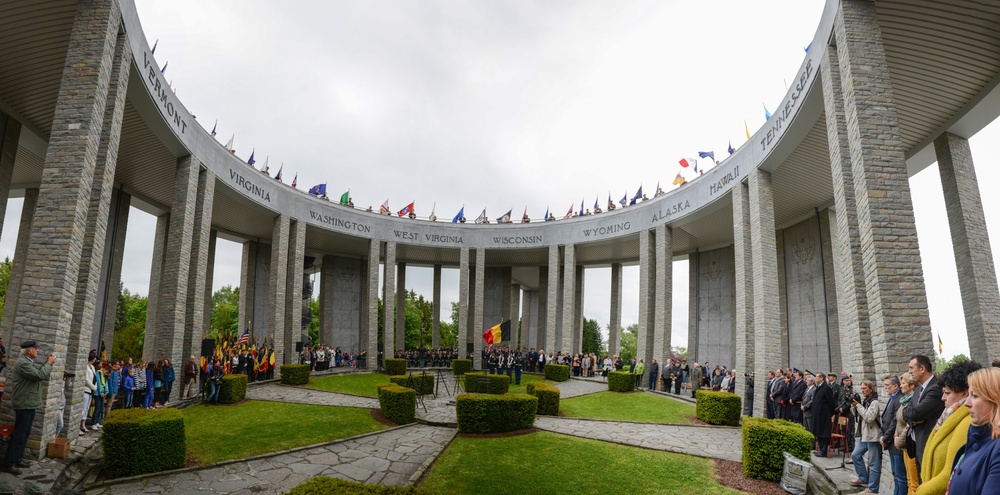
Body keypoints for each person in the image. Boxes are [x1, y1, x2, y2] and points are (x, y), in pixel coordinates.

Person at [915, 359, 981, 495]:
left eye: (947, 393)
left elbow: (951, 471)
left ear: (964, 393)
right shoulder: (949, 416)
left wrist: (921, 491)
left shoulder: (968, 422)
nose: (943, 398)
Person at [2, 341, 56, 476]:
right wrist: (49, 363)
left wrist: (46, 364)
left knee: (25, 433)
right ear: (28, 351)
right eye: (35, 349)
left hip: (29, 403)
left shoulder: (27, 362)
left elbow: (37, 374)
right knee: (19, 434)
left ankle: (18, 459)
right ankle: (9, 463)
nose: (37, 350)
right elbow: (38, 375)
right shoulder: (23, 363)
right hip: (24, 403)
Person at [946, 367, 1000, 494]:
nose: (966, 403)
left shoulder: (996, 447)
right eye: (968, 394)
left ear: (996, 400)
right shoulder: (979, 439)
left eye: (975, 396)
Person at [903, 354, 944, 471]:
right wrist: (912, 417)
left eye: (911, 368)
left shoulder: (936, 388)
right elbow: (906, 411)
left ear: (922, 368)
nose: (909, 372)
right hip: (918, 444)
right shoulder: (918, 389)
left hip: (929, 443)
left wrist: (912, 415)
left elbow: (915, 413)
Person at [850, 379, 882, 494]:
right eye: (861, 388)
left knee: (873, 463)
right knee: (855, 455)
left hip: (873, 436)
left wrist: (858, 405)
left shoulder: (874, 402)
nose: (862, 391)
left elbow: (869, 418)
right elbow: (858, 416)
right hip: (865, 435)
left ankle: (872, 488)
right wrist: (854, 406)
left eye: (864, 388)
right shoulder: (866, 400)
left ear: (871, 389)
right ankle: (863, 478)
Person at [894, 372, 919, 495]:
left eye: (903, 383)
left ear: (912, 386)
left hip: (909, 444)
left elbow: (909, 424)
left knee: (914, 482)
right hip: (903, 445)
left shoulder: (913, 402)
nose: (900, 386)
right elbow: (898, 421)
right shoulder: (903, 401)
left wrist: (899, 440)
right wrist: (895, 436)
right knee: (909, 479)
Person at [879, 375, 904, 495]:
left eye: (887, 385)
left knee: (900, 476)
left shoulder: (899, 398)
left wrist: (885, 437)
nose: (885, 388)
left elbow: (894, 422)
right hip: (889, 441)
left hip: (895, 440)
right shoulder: (892, 397)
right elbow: (885, 418)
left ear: (895, 386)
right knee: (895, 473)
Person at [811, 372, 836, 457]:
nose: (816, 378)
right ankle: (820, 449)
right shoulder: (819, 387)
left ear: (822, 378)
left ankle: (824, 451)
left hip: (824, 415)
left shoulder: (826, 388)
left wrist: (830, 412)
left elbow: (831, 402)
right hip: (818, 414)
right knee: (819, 432)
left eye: (817, 377)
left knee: (824, 433)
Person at [82, 354, 97, 432]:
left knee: (87, 407)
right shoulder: (86, 367)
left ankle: (83, 424)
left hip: (91, 390)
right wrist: (93, 388)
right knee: (83, 408)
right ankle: (80, 425)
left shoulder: (93, 367)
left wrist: (95, 387)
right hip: (86, 389)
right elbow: (86, 380)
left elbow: (95, 378)